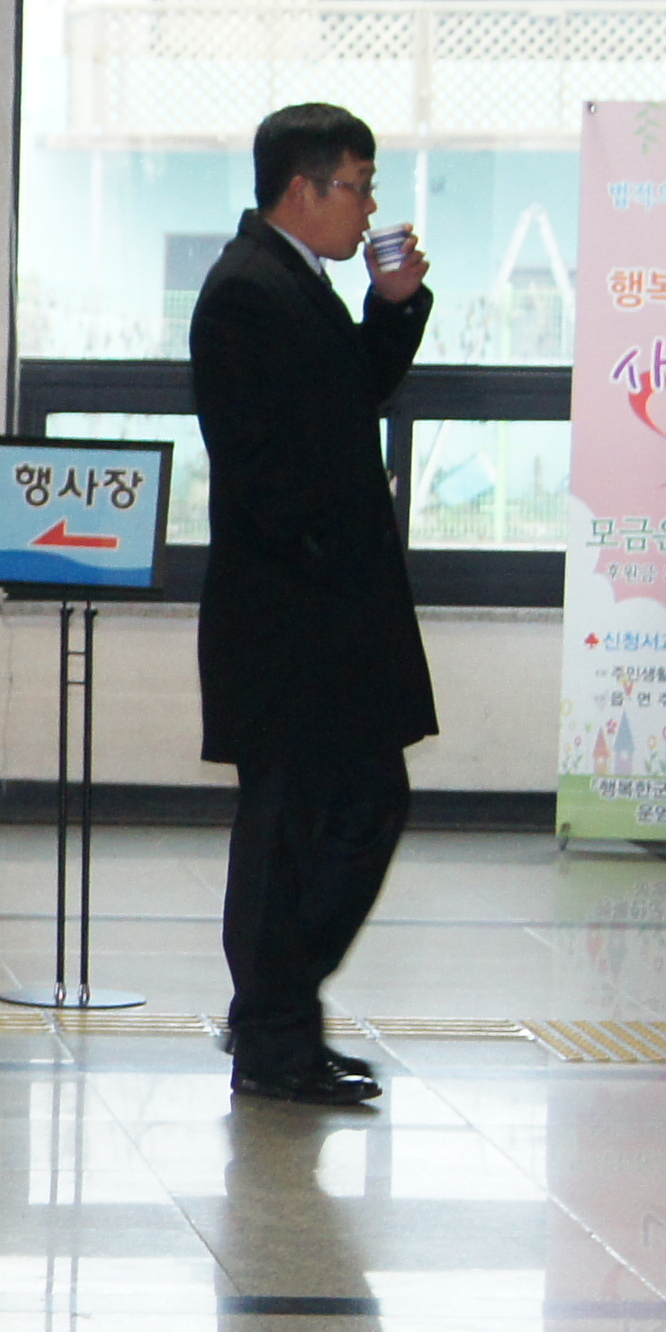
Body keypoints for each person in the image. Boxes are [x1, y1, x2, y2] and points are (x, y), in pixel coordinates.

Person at [193, 101, 437, 1109]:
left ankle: (276, 1017)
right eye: (357, 187)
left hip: (328, 612)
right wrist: (328, 554)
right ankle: (272, 1029)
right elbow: (262, 466)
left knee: (350, 809)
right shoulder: (246, 291)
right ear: (303, 188)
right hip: (292, 619)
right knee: (299, 827)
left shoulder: (295, 280)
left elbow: (347, 399)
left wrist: (393, 307)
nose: (368, 208)